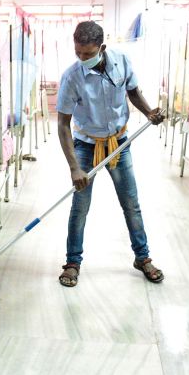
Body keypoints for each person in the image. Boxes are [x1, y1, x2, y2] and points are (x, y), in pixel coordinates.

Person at [56, 21, 165, 288]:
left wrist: (149, 111)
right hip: (85, 145)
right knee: (79, 207)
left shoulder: (122, 62)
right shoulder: (72, 77)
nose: (82, 59)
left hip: (119, 143)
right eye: (78, 53)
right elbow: (62, 124)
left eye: (88, 54)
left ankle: (142, 257)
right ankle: (73, 262)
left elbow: (133, 92)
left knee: (131, 202)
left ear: (102, 48)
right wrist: (74, 168)